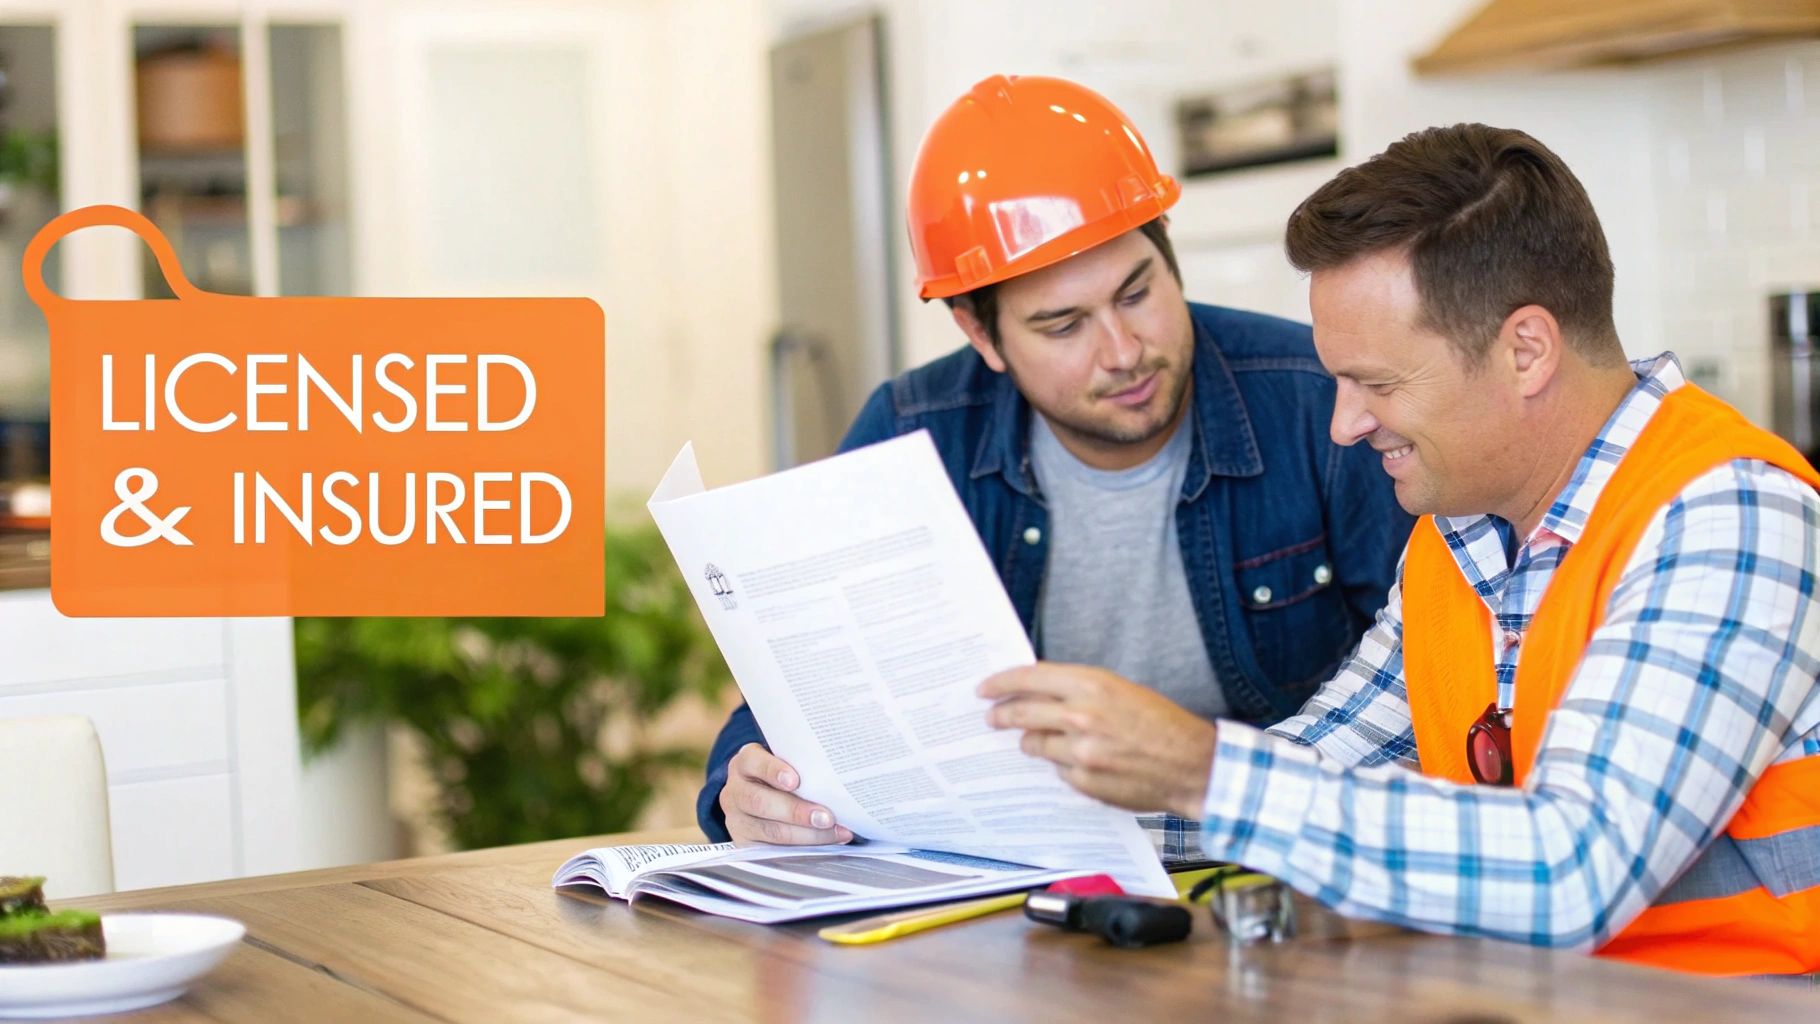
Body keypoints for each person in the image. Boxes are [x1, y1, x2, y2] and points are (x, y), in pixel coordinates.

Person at [981, 122, 1820, 977]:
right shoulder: (1459, 536)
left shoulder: (1729, 514)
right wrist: (986, 817)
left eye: (1377, 384)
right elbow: (1319, 759)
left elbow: (1573, 869)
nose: (1345, 424)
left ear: (1525, 350)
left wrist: (1204, 772)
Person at [696, 74, 1412, 850]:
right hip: (1016, 888)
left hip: (1271, 870)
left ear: (1170, 261)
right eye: (1063, 326)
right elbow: (798, 695)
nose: (1124, 351)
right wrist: (745, 788)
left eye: (1137, 294)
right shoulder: (912, 436)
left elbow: (1425, 680)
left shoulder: (1319, 404)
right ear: (981, 335)